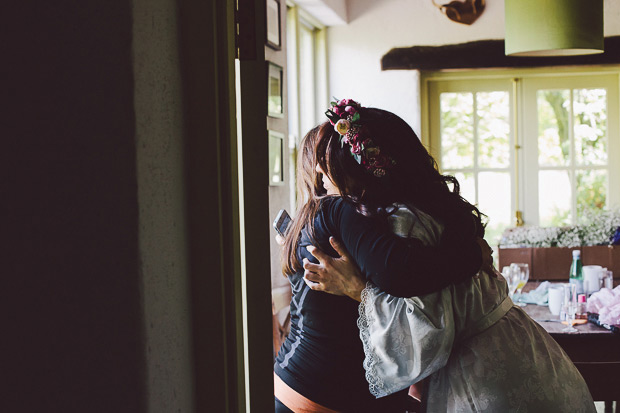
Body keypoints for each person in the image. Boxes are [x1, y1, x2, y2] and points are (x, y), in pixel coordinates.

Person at [302, 100, 596, 412]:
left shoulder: (403, 222)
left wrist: (357, 290)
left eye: (329, 168)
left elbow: (426, 331)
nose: (323, 178)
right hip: (526, 350)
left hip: (482, 377)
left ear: (363, 167)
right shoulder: (436, 206)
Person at [273, 102, 491, 412]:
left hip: (295, 380)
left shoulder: (311, 216)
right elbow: (402, 272)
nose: (322, 172)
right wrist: (473, 256)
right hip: (326, 393)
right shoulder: (338, 209)